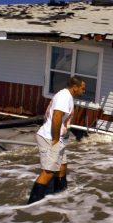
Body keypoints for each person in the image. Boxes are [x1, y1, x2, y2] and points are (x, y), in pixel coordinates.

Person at [28, 76, 86, 204]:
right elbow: (56, 117)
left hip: (57, 138)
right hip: (50, 137)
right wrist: (55, 139)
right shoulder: (64, 96)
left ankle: (60, 195)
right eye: (82, 89)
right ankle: (31, 205)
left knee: (62, 166)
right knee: (48, 172)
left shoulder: (67, 96)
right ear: (74, 87)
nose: (84, 91)